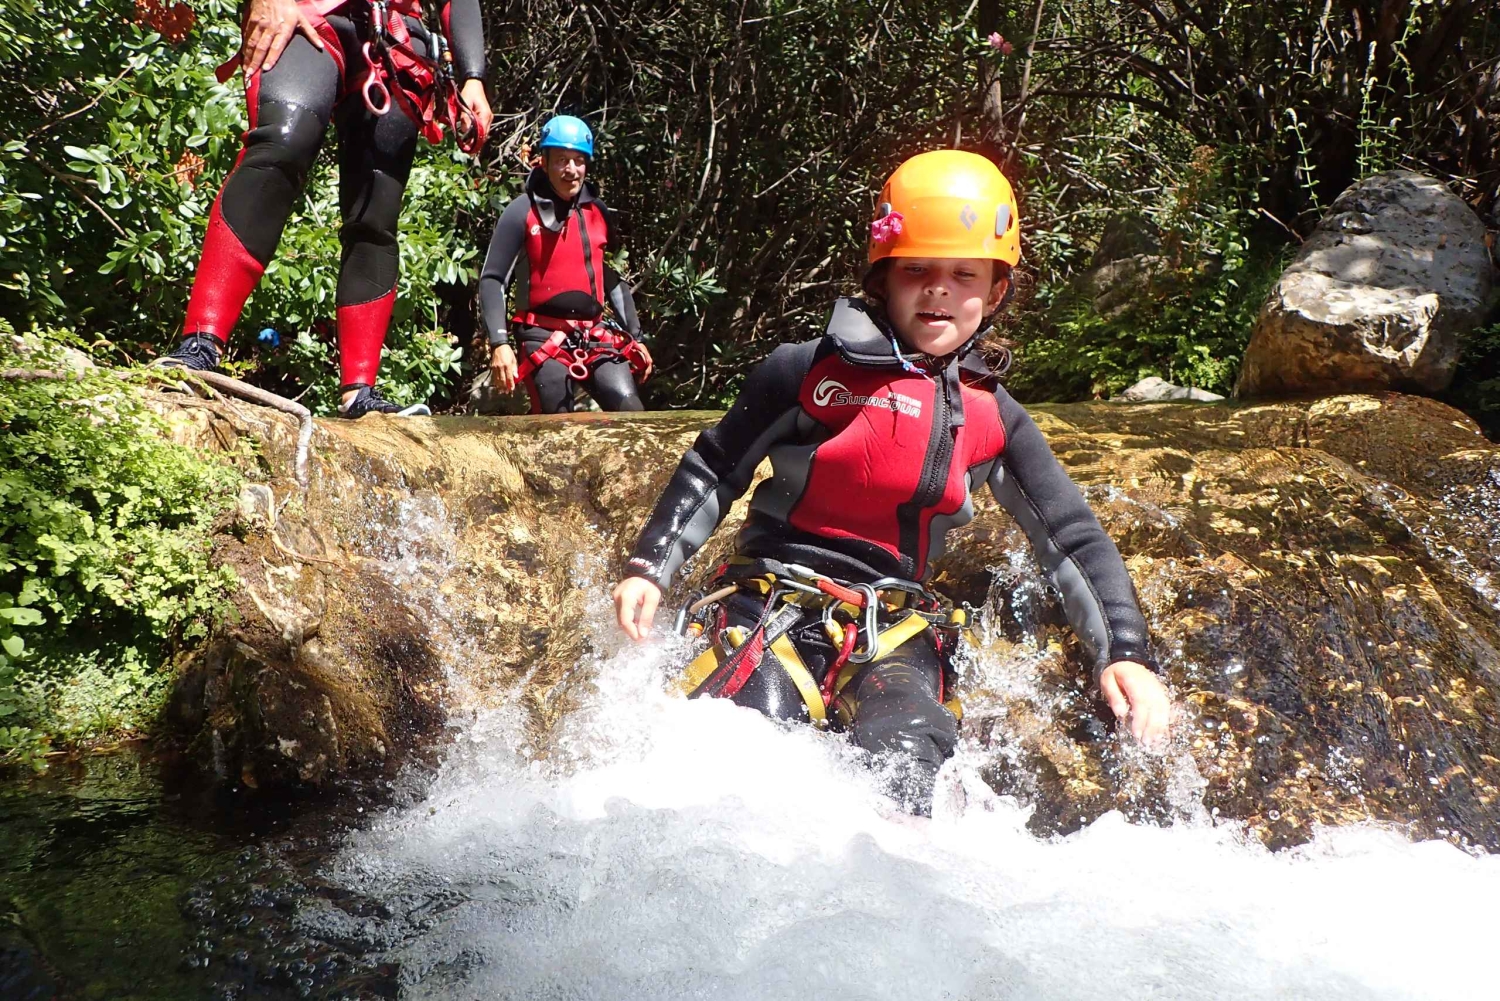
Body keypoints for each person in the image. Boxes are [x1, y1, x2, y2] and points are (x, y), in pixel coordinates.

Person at [611, 150, 1170, 813]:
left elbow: (1073, 538)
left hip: (890, 627)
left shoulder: (996, 418)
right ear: (883, 278)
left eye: (963, 273)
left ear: (995, 291)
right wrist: (649, 565)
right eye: (917, 270)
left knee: (910, 758)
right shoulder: (806, 371)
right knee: (744, 734)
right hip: (769, 602)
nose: (938, 288)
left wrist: (1125, 651)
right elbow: (715, 466)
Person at [158, 0, 492, 418]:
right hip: (308, 10)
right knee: (282, 146)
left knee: (375, 213)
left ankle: (360, 393)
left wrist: (472, 76)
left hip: (396, 38)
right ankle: (199, 345)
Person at [478, 115, 653, 414]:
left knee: (632, 416)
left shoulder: (596, 211)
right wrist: (499, 343)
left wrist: (635, 337)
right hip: (541, 337)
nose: (571, 170)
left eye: (578, 161)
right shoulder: (521, 211)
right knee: (556, 427)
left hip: (594, 336)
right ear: (543, 163)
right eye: (561, 160)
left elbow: (610, 277)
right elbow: (492, 279)